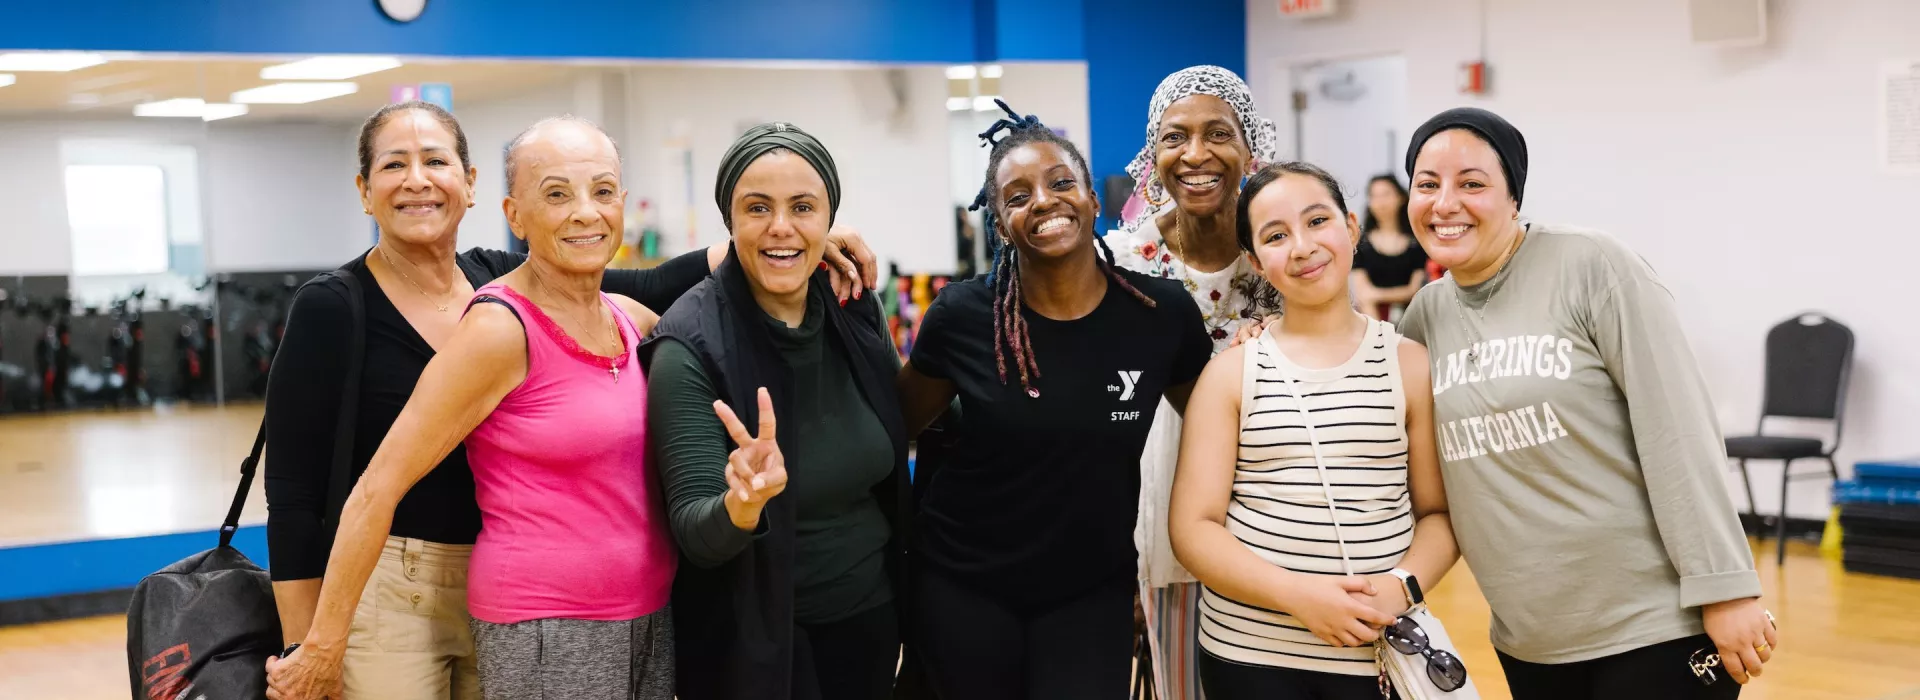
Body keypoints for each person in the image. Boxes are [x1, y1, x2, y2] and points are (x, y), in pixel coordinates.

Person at [262, 101, 875, 699]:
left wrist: (805, 236)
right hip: (546, 627)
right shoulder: (496, 327)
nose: (585, 212)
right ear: (515, 213)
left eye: (603, 192)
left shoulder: (627, 317)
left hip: (647, 615)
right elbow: (374, 489)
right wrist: (316, 647)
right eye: (557, 195)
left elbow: (681, 280)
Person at [268, 116, 681, 699]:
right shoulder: (349, 306)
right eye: (394, 164)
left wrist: (769, 241)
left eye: (436, 161)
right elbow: (311, 494)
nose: (418, 180)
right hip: (404, 587)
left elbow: (653, 281)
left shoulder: (507, 276)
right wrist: (310, 646)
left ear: (470, 183)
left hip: (516, 579)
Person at [1394, 107, 1776, 698]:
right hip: (1530, 640)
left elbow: (1678, 429)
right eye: (1427, 184)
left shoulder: (1593, 265)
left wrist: (1726, 587)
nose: (1445, 203)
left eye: (1471, 183)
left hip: (1653, 625)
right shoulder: (1425, 317)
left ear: (1513, 197)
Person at [896, 101, 1214, 699]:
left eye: (1061, 183)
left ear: (1093, 199)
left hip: (1090, 591)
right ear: (1000, 225)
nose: (1043, 201)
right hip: (964, 583)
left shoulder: (1161, 316)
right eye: (1017, 197)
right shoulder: (963, 316)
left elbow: (1217, 427)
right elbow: (896, 424)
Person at [1169, 161, 1461, 700]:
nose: (1302, 247)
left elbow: (1439, 514)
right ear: (1255, 261)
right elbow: (1193, 528)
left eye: (1317, 221)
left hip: (1377, 652)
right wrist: (1297, 595)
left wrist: (1400, 587)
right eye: (1276, 236)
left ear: (1351, 227)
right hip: (1250, 654)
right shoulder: (1231, 372)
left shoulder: (1410, 363)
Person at [641, 122, 911, 700]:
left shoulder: (852, 305)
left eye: (803, 207)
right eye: (757, 207)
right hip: (751, 647)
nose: (781, 227)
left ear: (829, 220)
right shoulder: (688, 344)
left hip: (869, 622)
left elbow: (912, 418)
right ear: (730, 221)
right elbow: (696, 532)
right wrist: (742, 504)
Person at [1103, 64, 1285, 700]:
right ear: (1152, 156)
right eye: (1175, 137)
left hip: (1275, 525)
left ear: (1250, 147)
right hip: (1155, 526)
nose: (1196, 154)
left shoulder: (1281, 257)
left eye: (1219, 133)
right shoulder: (1120, 266)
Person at [1351, 174, 1427, 321]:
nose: (1380, 202)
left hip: (1411, 315)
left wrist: (1377, 294)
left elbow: (1414, 290)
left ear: (1401, 198)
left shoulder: (1417, 242)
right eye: (1374, 196)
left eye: (1386, 194)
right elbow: (1363, 294)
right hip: (1372, 318)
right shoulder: (1361, 243)